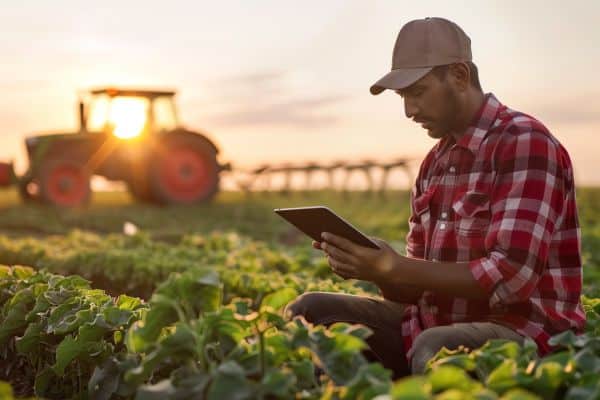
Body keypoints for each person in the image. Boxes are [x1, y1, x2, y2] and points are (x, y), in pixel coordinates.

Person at [285, 17, 586, 377]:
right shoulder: (434, 163)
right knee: (311, 309)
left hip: (521, 331)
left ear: (459, 76)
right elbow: (417, 290)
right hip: (430, 324)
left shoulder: (524, 142)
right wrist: (376, 267)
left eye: (418, 92)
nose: (409, 110)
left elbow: (512, 276)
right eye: (403, 97)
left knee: (437, 347)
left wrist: (395, 266)